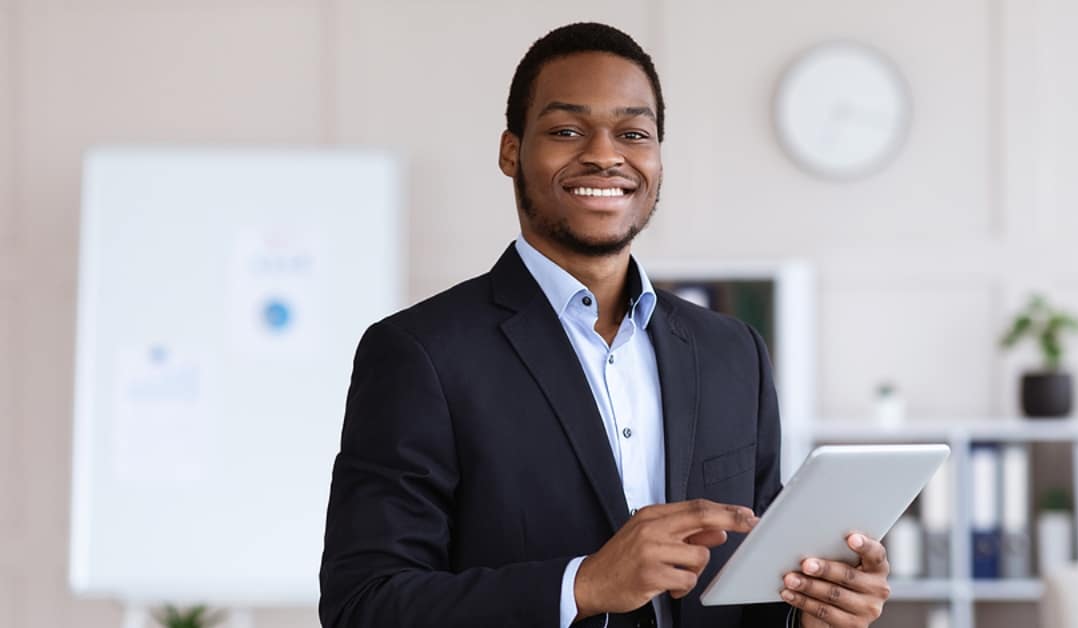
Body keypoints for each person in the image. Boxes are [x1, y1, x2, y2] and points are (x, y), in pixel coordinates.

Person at [319, 22, 892, 628]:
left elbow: (755, 592)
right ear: (511, 150)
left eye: (633, 133)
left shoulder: (732, 352)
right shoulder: (420, 354)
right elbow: (365, 606)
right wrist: (582, 584)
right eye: (566, 130)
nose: (603, 153)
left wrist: (817, 609)